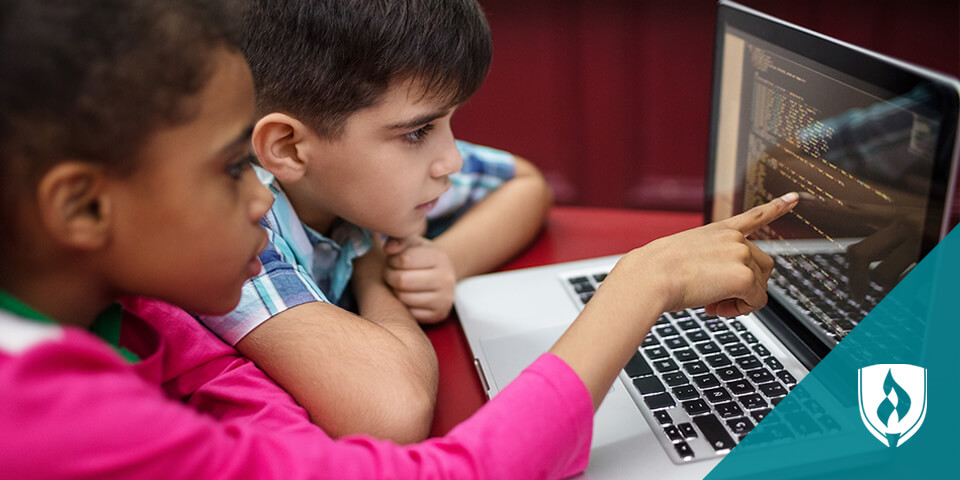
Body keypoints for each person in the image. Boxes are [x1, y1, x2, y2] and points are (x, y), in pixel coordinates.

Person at [0, 1, 798, 477]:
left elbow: (286, 432)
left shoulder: (152, 315)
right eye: (229, 168)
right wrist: (640, 287)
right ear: (81, 207)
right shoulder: (45, 415)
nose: (258, 198)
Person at [196, 0, 553, 443]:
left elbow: (524, 184)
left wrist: (445, 262)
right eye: (418, 132)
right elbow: (392, 413)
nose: (452, 159)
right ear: (287, 148)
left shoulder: (354, 178)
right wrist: (377, 272)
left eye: (450, 121)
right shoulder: (236, 226)